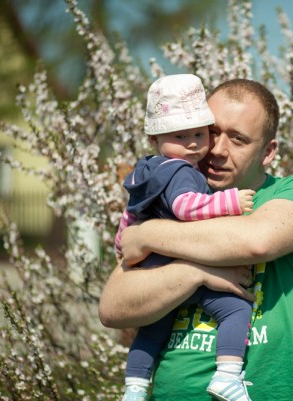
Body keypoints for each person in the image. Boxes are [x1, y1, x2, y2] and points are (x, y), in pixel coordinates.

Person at [99, 78, 293, 401]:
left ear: (268, 152)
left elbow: (256, 241)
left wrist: (147, 234)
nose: (218, 149)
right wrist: (197, 274)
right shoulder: (170, 199)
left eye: (238, 139)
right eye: (212, 132)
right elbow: (112, 307)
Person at [115, 74, 256, 401]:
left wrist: (124, 244)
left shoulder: (144, 170)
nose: (193, 143)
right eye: (180, 135)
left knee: (151, 333)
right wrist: (228, 201)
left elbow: (130, 215)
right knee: (235, 311)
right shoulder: (181, 171)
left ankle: (134, 391)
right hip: (182, 263)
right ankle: (228, 374)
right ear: (154, 138)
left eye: (198, 133)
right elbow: (185, 206)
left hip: (154, 271)